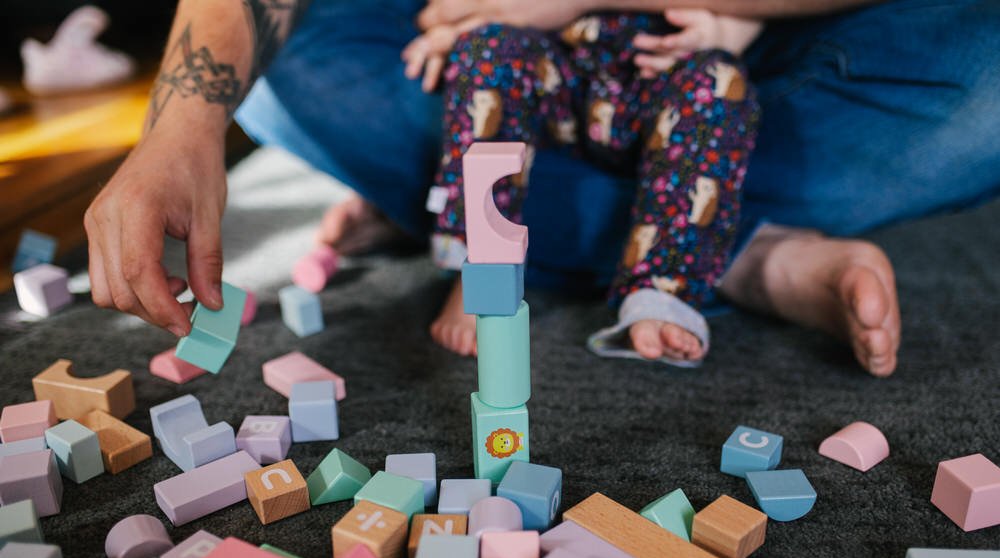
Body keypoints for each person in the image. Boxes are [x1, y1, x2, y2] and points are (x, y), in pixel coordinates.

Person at [84, 0, 1000, 378]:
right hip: (521, 62)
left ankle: (682, 260)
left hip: (694, 59)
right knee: (304, 72)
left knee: (728, 94)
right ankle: (714, 246)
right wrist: (183, 125)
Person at [405, 11, 761, 364]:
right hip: (560, 69)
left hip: (666, 75)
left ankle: (661, 292)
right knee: (488, 48)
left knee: (717, 79)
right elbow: (447, 10)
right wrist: (449, 29)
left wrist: (723, 30)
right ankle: (482, 270)